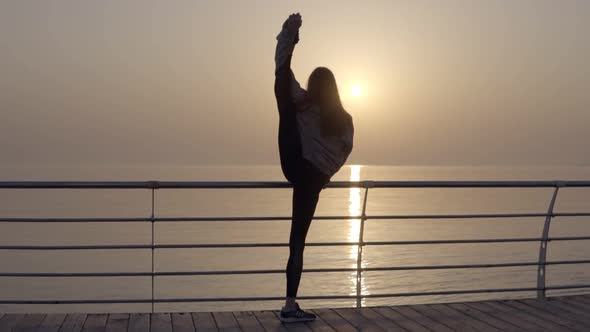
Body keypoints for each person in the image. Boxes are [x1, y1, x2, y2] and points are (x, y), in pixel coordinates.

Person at [274, 13, 354, 323]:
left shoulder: (302, 104)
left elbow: (282, 69)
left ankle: (290, 305)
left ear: (313, 85)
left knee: (284, 92)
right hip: (311, 179)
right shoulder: (343, 120)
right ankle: (290, 303)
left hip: (292, 165)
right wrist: (324, 174)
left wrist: (290, 36)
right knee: (298, 241)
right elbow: (343, 151)